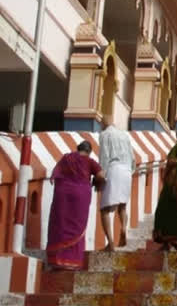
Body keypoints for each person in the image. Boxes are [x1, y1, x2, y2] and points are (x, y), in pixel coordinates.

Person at [46, 141, 105, 270]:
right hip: (80, 197)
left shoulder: (66, 158)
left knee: (60, 224)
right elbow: (101, 175)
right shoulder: (90, 161)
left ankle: (56, 260)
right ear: (89, 152)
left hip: (62, 195)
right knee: (76, 226)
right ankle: (72, 261)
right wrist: (96, 181)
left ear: (77, 149)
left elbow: (56, 173)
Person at [98, 114, 135, 251]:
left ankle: (111, 243)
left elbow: (104, 156)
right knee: (122, 206)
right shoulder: (124, 135)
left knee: (105, 209)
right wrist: (131, 170)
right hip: (127, 170)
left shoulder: (104, 135)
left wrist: (102, 175)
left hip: (114, 169)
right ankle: (124, 229)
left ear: (103, 124)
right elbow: (132, 156)